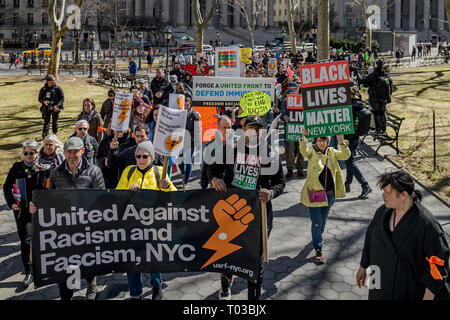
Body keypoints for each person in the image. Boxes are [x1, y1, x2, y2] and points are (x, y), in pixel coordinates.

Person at [207, 115, 286, 300]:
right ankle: (225, 285)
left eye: (258, 129)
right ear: (244, 130)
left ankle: (253, 300)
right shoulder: (230, 148)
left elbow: (280, 182)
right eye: (251, 128)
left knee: (255, 263)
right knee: (227, 254)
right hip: (229, 214)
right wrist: (215, 179)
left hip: (258, 216)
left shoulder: (270, 154)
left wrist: (270, 193)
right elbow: (212, 168)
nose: (255, 132)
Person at [356, 170, 450, 300]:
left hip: (406, 291)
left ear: (404, 195)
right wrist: (363, 267)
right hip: (377, 283)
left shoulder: (428, 225)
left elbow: (437, 268)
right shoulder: (382, 212)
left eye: (388, 193)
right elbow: (370, 240)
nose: (383, 196)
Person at [33, 136, 105, 300]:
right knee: (66, 263)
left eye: (76, 152)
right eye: (69, 152)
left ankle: (91, 282)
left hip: (87, 226)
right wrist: (36, 207)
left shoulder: (94, 171)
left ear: (83, 151)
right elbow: (49, 198)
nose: (73, 156)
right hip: (64, 228)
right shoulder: (56, 173)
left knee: (88, 259)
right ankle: (67, 293)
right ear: (64, 153)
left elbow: (102, 199)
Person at [116, 141, 177, 300]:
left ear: (152, 157)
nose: (141, 159)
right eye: (138, 156)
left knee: (153, 259)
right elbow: (116, 196)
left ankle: (156, 286)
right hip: (131, 226)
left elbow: (176, 198)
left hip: (154, 226)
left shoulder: (161, 172)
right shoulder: (128, 172)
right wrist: (128, 193)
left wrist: (165, 187)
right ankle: (135, 292)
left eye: (145, 156)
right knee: (132, 261)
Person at [299, 128, 350, 265]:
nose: (322, 143)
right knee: (316, 223)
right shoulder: (311, 152)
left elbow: (346, 155)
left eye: (324, 140)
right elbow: (304, 151)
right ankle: (318, 249)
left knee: (323, 220)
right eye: (319, 140)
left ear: (328, 141)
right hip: (314, 194)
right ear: (315, 141)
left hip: (329, 194)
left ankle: (318, 236)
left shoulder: (332, 152)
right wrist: (303, 136)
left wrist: (341, 142)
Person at [3, 140, 49, 289]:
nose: (28, 156)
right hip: (22, 211)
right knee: (26, 240)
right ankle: (28, 271)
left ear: (37, 152)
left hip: (41, 210)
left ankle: (44, 267)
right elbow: (6, 186)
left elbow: (51, 188)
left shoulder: (45, 166)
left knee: (43, 239)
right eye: (25, 153)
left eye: (32, 152)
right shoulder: (17, 167)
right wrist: (12, 203)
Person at [344, 86, 372, 199]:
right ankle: (347, 183)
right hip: (355, 138)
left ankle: (365, 186)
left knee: (350, 162)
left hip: (349, 138)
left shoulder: (348, 107)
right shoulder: (358, 104)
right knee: (349, 161)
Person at [357, 59, 392, 135]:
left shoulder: (373, 75)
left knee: (376, 114)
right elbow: (390, 84)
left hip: (375, 99)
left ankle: (378, 130)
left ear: (375, 66)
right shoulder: (386, 74)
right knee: (382, 113)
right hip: (384, 99)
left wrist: (357, 74)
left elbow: (363, 81)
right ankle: (384, 130)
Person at [280, 82, 304, 179]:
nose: (292, 92)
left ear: (298, 90)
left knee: (301, 150)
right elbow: (282, 114)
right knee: (289, 151)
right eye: (290, 90)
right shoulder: (285, 101)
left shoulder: (303, 100)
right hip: (290, 130)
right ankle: (290, 169)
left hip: (301, 130)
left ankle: (300, 169)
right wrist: (285, 117)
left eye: (294, 90)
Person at [178, 97, 201, 190]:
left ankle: (186, 183)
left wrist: (198, 144)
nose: (185, 106)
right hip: (179, 141)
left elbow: (197, 130)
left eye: (187, 105)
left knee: (188, 162)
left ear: (190, 104)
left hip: (190, 141)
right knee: (179, 160)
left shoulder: (194, 115)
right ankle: (183, 173)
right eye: (184, 105)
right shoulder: (179, 113)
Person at [38, 74, 64, 139]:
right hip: (46, 107)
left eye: (54, 80)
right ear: (48, 81)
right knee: (46, 122)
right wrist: (43, 102)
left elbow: (62, 98)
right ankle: (45, 136)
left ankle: (54, 134)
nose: (54, 82)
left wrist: (57, 106)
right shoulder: (43, 89)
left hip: (56, 107)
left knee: (55, 121)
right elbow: (39, 98)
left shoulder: (58, 88)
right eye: (52, 80)